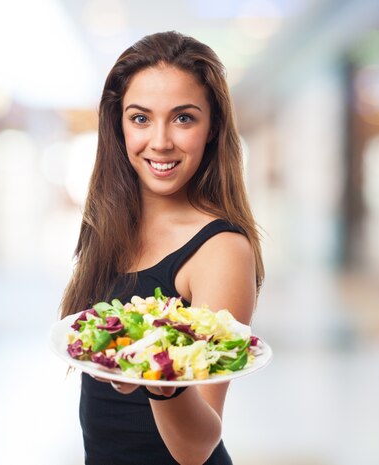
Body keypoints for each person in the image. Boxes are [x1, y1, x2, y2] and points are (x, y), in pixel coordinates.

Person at [60, 30, 264, 465]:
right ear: (118, 124)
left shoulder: (221, 248)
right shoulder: (110, 227)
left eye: (183, 118)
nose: (160, 141)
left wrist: (160, 378)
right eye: (140, 118)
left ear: (212, 129)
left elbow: (197, 447)